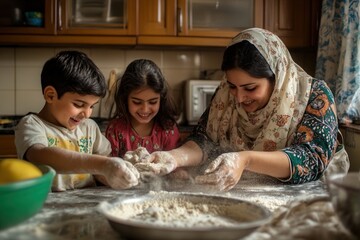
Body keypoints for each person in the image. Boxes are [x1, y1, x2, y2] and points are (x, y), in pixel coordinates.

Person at [134, 28, 350, 191]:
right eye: (232, 86)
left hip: (311, 198)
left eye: (250, 88)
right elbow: (203, 140)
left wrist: (244, 159)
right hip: (248, 193)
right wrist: (174, 157)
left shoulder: (314, 96)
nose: (238, 97)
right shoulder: (225, 97)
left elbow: (311, 160)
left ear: (277, 78)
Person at [14, 50, 140, 192]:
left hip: (87, 205)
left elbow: (101, 173)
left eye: (92, 106)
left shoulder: (89, 128)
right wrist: (103, 164)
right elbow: (40, 156)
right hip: (47, 207)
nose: (86, 114)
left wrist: (118, 176)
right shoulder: (32, 125)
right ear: (50, 95)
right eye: (79, 105)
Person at [105, 59, 180, 160]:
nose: (145, 109)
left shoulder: (168, 129)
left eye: (153, 102)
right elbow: (109, 167)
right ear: (125, 98)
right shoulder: (115, 130)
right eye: (137, 102)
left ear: (161, 99)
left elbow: (175, 164)